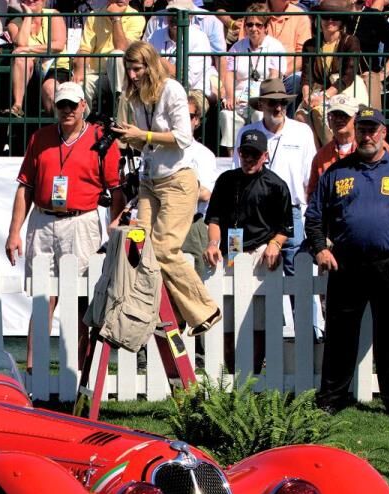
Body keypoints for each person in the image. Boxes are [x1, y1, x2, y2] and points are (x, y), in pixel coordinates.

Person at [305, 107, 389, 417]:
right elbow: (314, 217)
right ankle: (331, 399)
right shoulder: (337, 172)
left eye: (372, 130)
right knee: (340, 335)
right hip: (346, 263)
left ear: (383, 133)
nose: (367, 136)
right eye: (362, 129)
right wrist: (320, 249)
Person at [5, 81, 123, 368]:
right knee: (42, 297)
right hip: (42, 221)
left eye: (72, 104)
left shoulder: (101, 139)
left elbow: (117, 190)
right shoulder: (40, 137)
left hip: (81, 221)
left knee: (81, 298)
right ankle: (34, 369)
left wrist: (116, 225)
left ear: (84, 105)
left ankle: (79, 370)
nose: (67, 110)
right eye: (62, 105)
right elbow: (25, 187)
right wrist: (14, 232)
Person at [114, 41, 222, 334]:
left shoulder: (172, 90)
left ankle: (205, 310)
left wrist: (142, 134)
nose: (132, 75)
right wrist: (130, 137)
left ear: (150, 66)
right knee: (141, 247)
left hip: (177, 181)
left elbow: (183, 138)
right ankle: (166, 312)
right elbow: (148, 144)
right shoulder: (136, 96)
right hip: (149, 181)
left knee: (163, 248)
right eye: (129, 69)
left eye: (137, 69)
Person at [234, 78, 317, 280]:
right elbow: (237, 175)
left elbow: (310, 178)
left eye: (283, 102)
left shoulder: (302, 132)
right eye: (272, 102)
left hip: (291, 211)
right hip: (253, 211)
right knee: (244, 271)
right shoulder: (247, 133)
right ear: (261, 104)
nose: (278, 108)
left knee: (296, 272)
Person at [203, 128, 293, 272]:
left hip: (261, 251)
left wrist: (275, 244)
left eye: (255, 154)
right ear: (239, 152)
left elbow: (286, 227)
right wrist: (213, 244)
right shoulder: (226, 180)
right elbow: (214, 219)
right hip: (232, 248)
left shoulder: (276, 185)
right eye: (245, 153)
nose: (249, 159)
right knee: (228, 286)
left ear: (265, 156)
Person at [296, 0, 368, 145]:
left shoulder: (350, 41)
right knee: (300, 117)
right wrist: (306, 96)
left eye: (335, 17)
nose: (330, 21)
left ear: (342, 21)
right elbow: (306, 76)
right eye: (325, 16)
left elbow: (348, 76)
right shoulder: (310, 45)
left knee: (319, 113)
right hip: (317, 91)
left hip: (343, 91)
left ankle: (332, 152)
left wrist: (325, 96)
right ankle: (317, 154)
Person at [218, 2, 285, 153]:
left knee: (259, 114)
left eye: (258, 25)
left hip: (263, 98)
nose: (253, 28)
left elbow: (274, 77)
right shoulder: (237, 47)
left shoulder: (275, 47)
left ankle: (262, 153)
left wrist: (263, 99)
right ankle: (233, 156)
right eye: (249, 25)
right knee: (227, 115)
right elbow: (229, 74)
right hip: (239, 97)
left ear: (265, 26)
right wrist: (230, 96)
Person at [305, 93, 389, 197]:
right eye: (335, 115)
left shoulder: (376, 146)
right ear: (328, 119)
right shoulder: (322, 156)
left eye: (344, 115)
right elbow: (313, 196)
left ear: (355, 118)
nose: (339, 119)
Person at [71, 0, 146, 114]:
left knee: (117, 55)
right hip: (97, 73)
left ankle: (119, 110)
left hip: (123, 75)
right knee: (80, 86)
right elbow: (84, 49)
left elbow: (122, 48)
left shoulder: (137, 17)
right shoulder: (94, 15)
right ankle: (82, 122)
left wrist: (116, 18)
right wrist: (79, 69)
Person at [145, 1, 224, 106]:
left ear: (190, 16)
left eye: (180, 13)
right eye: (171, 12)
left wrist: (157, 60)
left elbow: (187, 80)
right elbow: (145, 64)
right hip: (159, 88)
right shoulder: (155, 35)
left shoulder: (199, 38)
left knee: (183, 105)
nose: (175, 17)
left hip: (195, 91)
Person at [1, 0, 68, 117]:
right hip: (30, 71)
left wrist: (29, 49)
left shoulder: (53, 15)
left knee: (50, 89)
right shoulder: (14, 24)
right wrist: (28, 16)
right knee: (21, 57)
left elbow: (58, 45)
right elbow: (21, 44)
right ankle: (17, 106)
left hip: (55, 67)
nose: (31, 0)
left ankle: (58, 123)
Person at [181, 89, 219, 268]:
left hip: (192, 225)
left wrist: (168, 189)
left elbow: (205, 194)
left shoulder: (204, 155)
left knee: (196, 278)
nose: (182, 120)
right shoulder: (158, 151)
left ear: (196, 120)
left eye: (188, 116)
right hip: (162, 225)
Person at [262, 0, 312, 101]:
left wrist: (281, 74)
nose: (253, 27)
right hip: (256, 74)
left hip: (286, 75)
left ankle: (281, 110)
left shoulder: (300, 16)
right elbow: (243, 47)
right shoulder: (255, 14)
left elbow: (302, 55)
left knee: (297, 79)